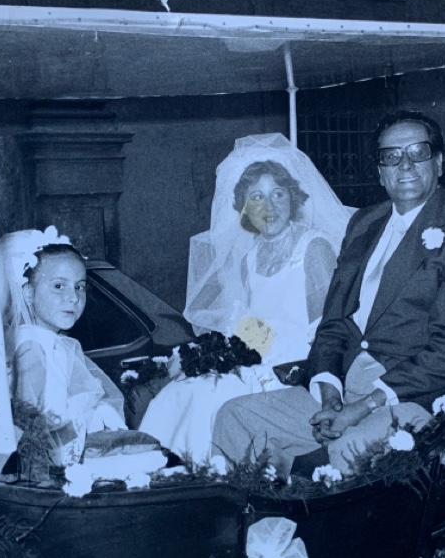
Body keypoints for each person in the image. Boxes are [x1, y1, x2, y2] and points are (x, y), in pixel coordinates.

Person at [212, 111, 445, 476]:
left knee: (348, 449)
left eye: (418, 152)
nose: (405, 165)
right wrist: (328, 386)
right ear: (380, 171)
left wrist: (365, 405)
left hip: (418, 393)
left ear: (440, 162)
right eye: (391, 156)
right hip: (349, 384)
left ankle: (311, 512)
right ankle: (266, 520)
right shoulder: (364, 222)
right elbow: (333, 322)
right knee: (236, 417)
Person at [140, 134, 353, 464]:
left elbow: (328, 329)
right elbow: (250, 327)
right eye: (257, 197)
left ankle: (210, 482)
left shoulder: (314, 249)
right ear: (244, 208)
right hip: (255, 360)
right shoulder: (249, 258)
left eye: (278, 194)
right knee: (176, 395)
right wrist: (221, 354)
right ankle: (164, 477)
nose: (269, 207)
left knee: (208, 400)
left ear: (293, 198)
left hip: (293, 367)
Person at [0, 227, 126, 465]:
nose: (74, 297)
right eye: (58, 286)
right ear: (28, 294)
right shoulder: (30, 347)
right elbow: (26, 431)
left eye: (79, 286)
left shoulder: (55, 343)